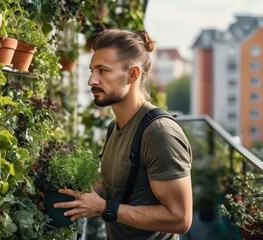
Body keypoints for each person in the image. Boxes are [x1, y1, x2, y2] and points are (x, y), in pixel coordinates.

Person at [54, 28, 193, 240]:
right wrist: (80, 197)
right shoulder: (115, 126)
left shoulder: (159, 134)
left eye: (103, 70)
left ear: (133, 74)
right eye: (92, 70)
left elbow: (180, 219)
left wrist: (103, 208)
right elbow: (114, 186)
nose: (92, 80)